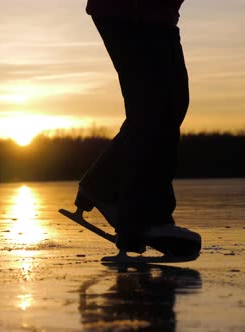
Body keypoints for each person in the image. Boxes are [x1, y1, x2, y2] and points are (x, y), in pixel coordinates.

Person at [75, 0, 201, 257]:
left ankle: (103, 185)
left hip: (154, 14)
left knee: (168, 105)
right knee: (157, 107)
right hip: (133, 12)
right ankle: (145, 217)